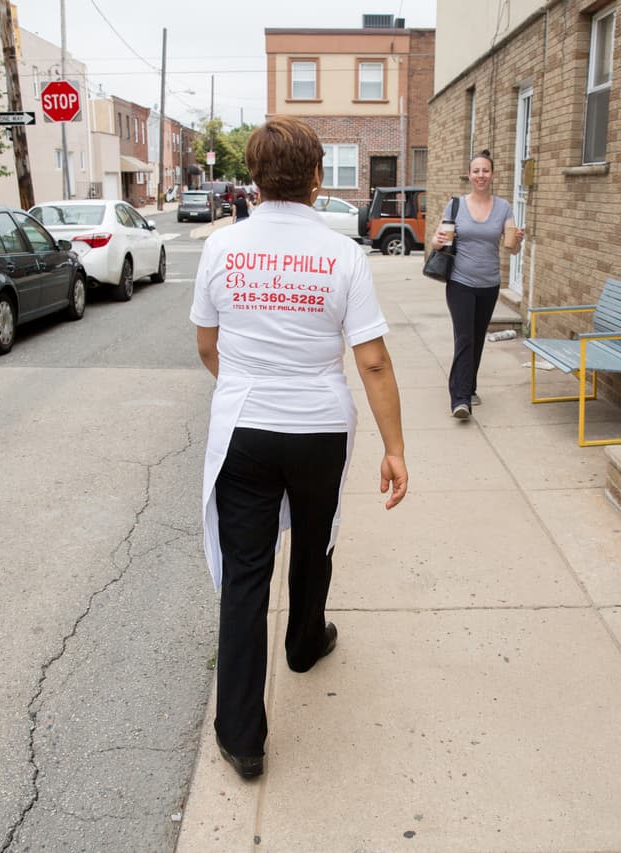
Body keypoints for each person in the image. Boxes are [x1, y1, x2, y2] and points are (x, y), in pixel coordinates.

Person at [191, 116, 408, 781]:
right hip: (318, 426)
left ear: (254, 177)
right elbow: (371, 362)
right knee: (314, 540)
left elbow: (207, 345)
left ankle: (242, 736)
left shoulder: (221, 249)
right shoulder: (343, 253)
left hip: (246, 428)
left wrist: (247, 386)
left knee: (246, 569)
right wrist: (395, 447)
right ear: (317, 177)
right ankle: (305, 639)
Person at [431, 150, 524, 420]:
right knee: (465, 338)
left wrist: (518, 239)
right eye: (476, 171)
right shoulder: (456, 206)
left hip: (490, 284)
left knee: (478, 337)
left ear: (492, 175)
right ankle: (460, 400)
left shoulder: (504, 207)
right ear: (469, 175)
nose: (481, 175)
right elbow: (438, 242)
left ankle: (469, 387)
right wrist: (437, 241)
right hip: (460, 282)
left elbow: (512, 249)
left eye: (485, 171)